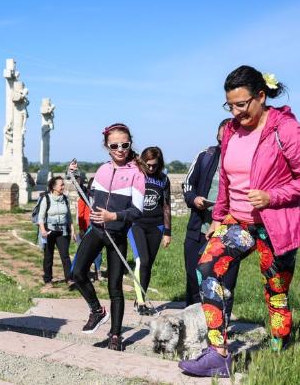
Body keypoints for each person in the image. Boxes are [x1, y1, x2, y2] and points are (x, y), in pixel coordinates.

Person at [179, 66, 300, 378]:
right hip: (238, 221)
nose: (236, 112)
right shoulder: (232, 130)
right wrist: (218, 218)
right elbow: (226, 180)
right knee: (207, 269)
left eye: (241, 104)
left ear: (261, 96)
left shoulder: (286, 129)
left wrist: (272, 196)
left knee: (276, 289)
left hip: (276, 224)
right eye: (230, 105)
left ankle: (278, 355)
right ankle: (217, 354)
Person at [70, 123, 146, 351]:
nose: (120, 149)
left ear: (130, 144)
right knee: (77, 273)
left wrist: (113, 216)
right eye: (114, 146)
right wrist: (76, 178)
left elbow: (137, 211)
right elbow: (90, 197)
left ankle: (115, 336)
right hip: (96, 231)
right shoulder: (102, 169)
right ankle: (96, 310)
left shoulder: (136, 173)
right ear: (106, 146)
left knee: (115, 287)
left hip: (116, 235)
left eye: (125, 145)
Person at [182, 119, 241, 319]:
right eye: (223, 137)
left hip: (229, 231)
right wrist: (194, 199)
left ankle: (220, 324)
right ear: (217, 136)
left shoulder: (245, 161)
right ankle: (192, 322)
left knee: (224, 282)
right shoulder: (205, 156)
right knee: (194, 276)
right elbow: (187, 185)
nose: (226, 141)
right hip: (199, 227)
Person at [128, 146, 172, 316]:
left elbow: (166, 206)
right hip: (137, 224)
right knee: (142, 261)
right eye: (148, 165)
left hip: (156, 225)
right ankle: (141, 303)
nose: (151, 168)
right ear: (143, 162)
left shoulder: (163, 179)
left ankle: (140, 297)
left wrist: (167, 231)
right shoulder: (136, 176)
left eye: (155, 165)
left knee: (148, 265)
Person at [37, 176, 75, 287]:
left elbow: (69, 216)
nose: (63, 186)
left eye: (63, 184)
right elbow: (40, 217)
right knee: (48, 256)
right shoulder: (46, 199)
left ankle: (69, 279)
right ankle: (48, 280)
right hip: (49, 231)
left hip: (63, 231)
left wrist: (72, 230)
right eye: (61, 185)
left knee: (65, 256)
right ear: (54, 187)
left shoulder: (65, 199)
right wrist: (43, 230)